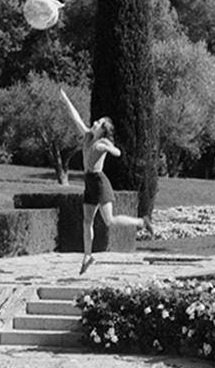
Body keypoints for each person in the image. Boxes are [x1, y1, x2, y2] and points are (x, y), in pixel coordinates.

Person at [59, 88, 151, 273]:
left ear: (102, 131)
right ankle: (87, 256)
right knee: (87, 221)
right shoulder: (87, 136)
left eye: (99, 123)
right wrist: (65, 98)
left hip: (100, 183)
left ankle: (142, 223)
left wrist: (109, 148)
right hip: (89, 183)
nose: (94, 122)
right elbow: (75, 116)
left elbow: (118, 153)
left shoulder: (101, 143)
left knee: (109, 220)